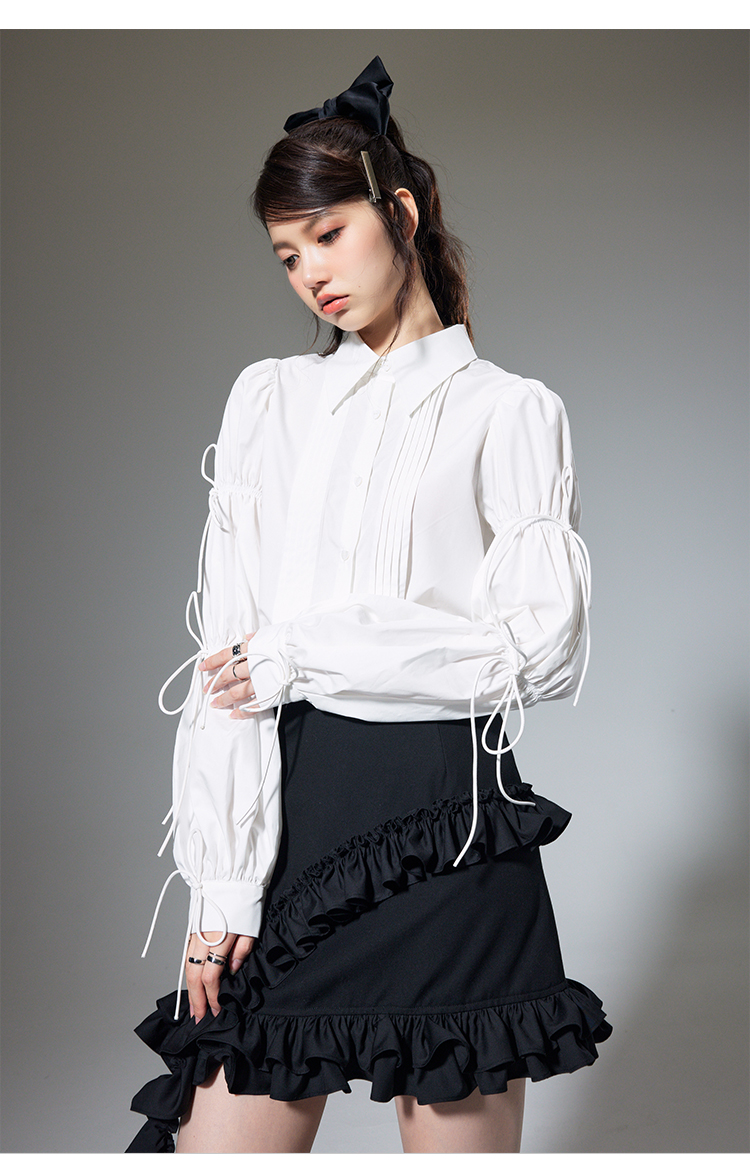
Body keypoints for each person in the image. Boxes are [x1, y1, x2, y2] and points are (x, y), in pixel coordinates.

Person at [127, 57, 611, 1154]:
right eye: (286, 255)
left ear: (402, 212)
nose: (311, 275)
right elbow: (229, 668)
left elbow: (538, 650)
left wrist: (307, 651)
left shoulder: (512, 412)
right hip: (293, 829)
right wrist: (220, 889)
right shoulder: (269, 402)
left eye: (328, 235)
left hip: (454, 836)